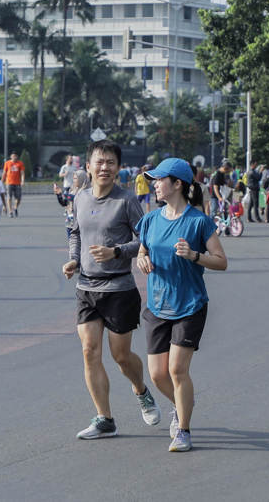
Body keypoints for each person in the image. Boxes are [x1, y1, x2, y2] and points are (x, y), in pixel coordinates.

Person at [63, 140, 161, 440]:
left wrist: (116, 251)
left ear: (118, 168)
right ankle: (105, 418)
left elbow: (146, 240)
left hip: (119, 288)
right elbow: (75, 233)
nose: (104, 167)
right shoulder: (79, 198)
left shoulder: (126, 200)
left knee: (121, 357)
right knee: (89, 350)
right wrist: (73, 259)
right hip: (86, 287)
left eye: (110, 163)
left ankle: (141, 390)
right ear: (89, 167)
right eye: (99, 162)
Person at [135, 158, 228, 453]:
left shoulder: (198, 222)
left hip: (189, 305)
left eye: (160, 180)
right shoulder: (150, 218)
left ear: (178, 184)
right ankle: (182, 404)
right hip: (156, 304)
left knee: (176, 370)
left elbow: (222, 262)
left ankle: (184, 430)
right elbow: (142, 250)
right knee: (157, 375)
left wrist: (194, 256)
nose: (155, 185)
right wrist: (141, 260)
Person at [3, 152, 25, 218]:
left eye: (15, 156)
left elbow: (22, 173)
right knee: (9, 197)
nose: (14, 157)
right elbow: (4, 172)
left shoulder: (20, 163)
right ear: (11, 156)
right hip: (9, 182)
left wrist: (22, 181)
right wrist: (1, 181)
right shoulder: (7, 163)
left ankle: (15, 207)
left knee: (18, 198)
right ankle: (10, 212)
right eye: (13, 156)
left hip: (17, 183)